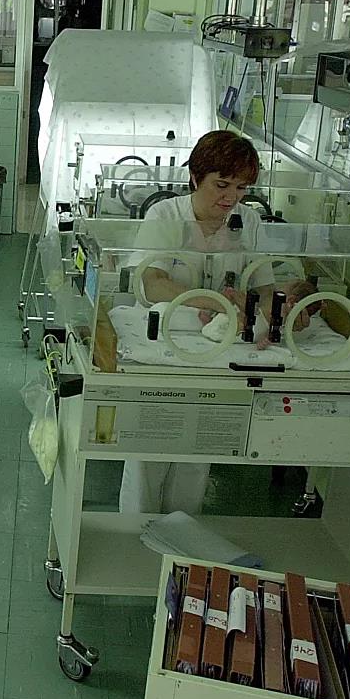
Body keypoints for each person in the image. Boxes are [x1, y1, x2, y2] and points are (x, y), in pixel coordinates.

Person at [120, 129, 277, 515]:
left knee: (198, 451)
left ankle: (181, 545)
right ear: (196, 177)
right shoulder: (166, 215)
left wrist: (263, 313)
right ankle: (135, 536)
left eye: (241, 188)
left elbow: (266, 285)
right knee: (150, 451)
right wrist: (213, 301)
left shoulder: (248, 221)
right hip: (165, 346)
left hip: (219, 353)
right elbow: (150, 282)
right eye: (221, 185)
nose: (230, 198)